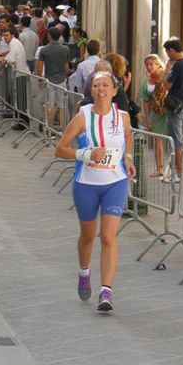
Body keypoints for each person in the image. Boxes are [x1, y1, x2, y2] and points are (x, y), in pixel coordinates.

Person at [55, 71, 136, 312]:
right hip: (87, 184)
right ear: (91, 91)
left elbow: (128, 137)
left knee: (109, 236)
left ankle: (106, 291)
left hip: (116, 182)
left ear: (114, 91)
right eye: (96, 85)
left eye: (106, 85)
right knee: (88, 236)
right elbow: (59, 149)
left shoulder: (123, 117)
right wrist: (86, 154)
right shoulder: (82, 117)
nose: (101, 90)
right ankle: (84, 272)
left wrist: (129, 157)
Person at [163, 36, 183, 180]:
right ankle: (180, 171)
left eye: (167, 52)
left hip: (175, 107)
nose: (167, 56)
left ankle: (178, 174)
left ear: (171, 50)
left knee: (176, 142)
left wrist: (167, 70)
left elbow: (167, 85)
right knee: (180, 139)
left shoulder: (178, 65)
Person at [139, 54, 169, 177]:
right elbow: (145, 102)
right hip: (156, 112)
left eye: (151, 64)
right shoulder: (145, 82)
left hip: (169, 110)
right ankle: (160, 168)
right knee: (157, 139)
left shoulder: (166, 76)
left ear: (158, 64)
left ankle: (180, 167)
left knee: (176, 140)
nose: (149, 67)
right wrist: (147, 119)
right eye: (147, 64)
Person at [37, 26, 70, 129]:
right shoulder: (65, 49)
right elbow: (66, 65)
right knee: (62, 105)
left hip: (49, 80)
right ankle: (63, 128)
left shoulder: (44, 50)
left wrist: (39, 79)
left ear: (49, 36)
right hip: (62, 79)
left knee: (51, 105)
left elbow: (40, 66)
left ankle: (49, 129)